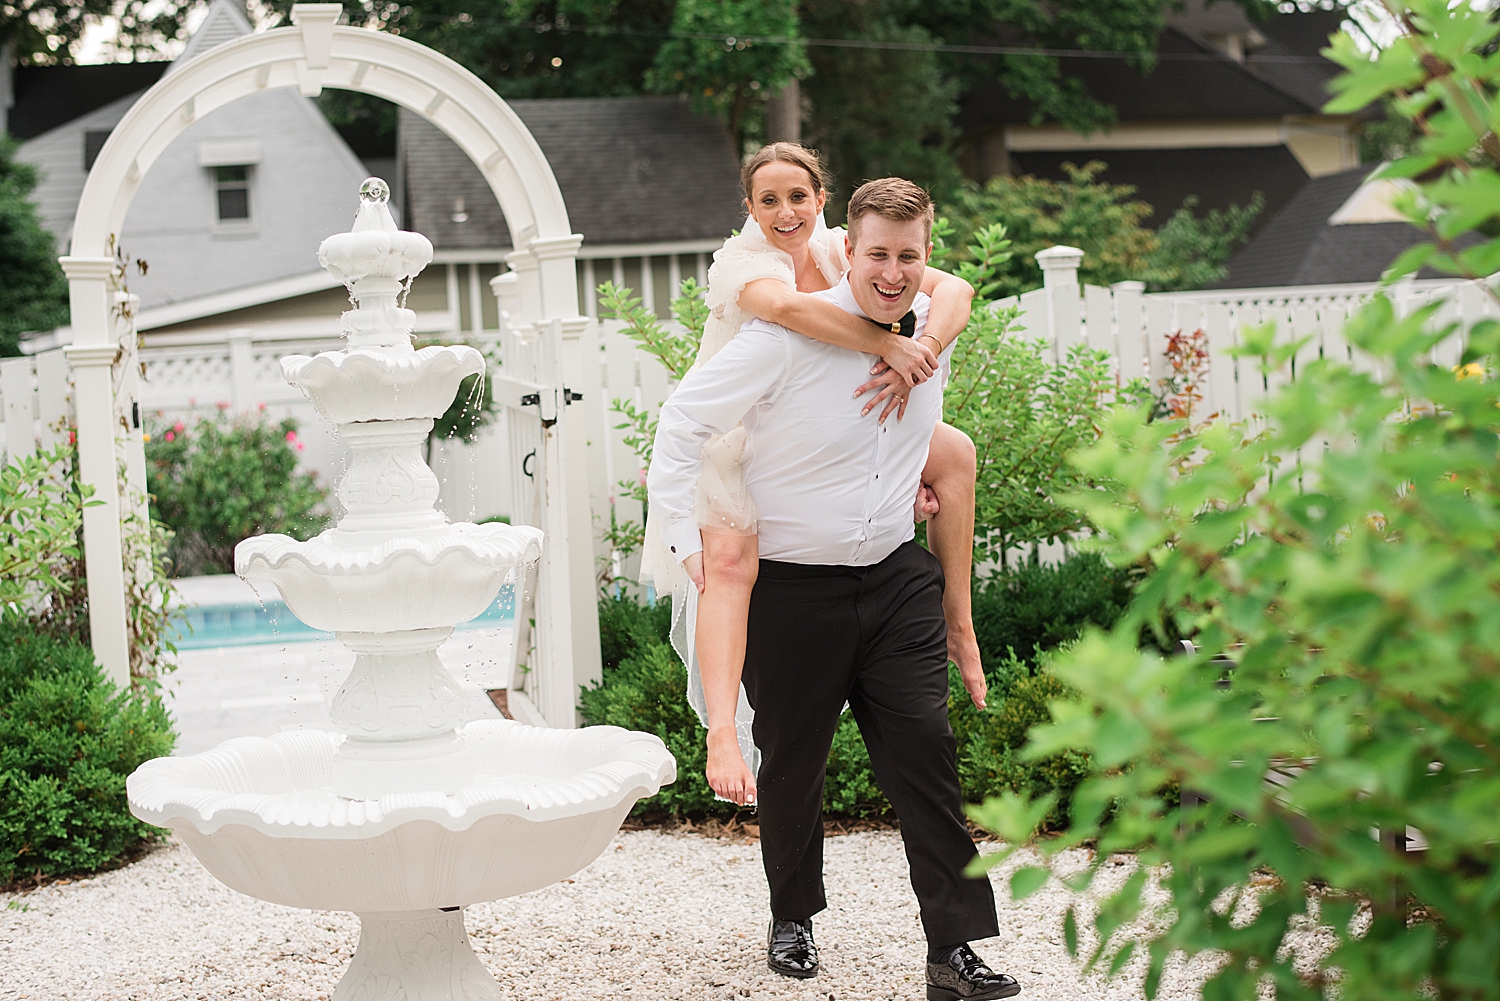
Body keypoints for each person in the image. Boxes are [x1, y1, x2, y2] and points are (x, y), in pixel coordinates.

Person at [647, 177, 1020, 1001]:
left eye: (908, 256)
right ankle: (792, 917)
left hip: (895, 582)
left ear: (926, 256)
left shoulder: (929, 332)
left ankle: (954, 950)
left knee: (926, 752)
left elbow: (956, 302)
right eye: (878, 254)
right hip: (793, 592)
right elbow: (680, 424)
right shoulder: (782, 338)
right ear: (847, 249)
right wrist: (685, 541)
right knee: (793, 762)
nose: (892, 272)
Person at [640, 142, 986, 804]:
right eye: (768, 199)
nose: (785, 211)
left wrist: (927, 349)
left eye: (797, 196)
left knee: (956, 454)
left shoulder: (845, 247)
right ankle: (721, 732)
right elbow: (795, 315)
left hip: (845, 424)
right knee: (732, 560)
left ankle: (959, 621)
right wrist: (891, 343)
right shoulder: (746, 264)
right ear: (750, 208)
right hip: (749, 428)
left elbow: (958, 290)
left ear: (821, 199)